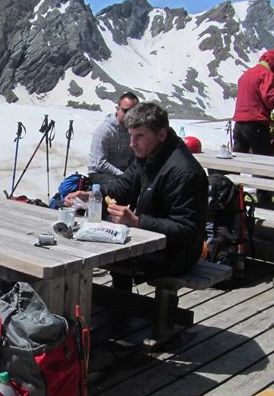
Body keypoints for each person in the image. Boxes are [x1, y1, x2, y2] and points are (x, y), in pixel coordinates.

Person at [66, 102, 208, 283]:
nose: (132, 144)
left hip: (175, 254)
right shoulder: (148, 155)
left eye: (139, 136)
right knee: (85, 241)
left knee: (96, 250)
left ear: (162, 134)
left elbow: (187, 230)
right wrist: (92, 195)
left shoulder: (184, 172)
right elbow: (122, 188)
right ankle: (117, 305)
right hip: (149, 242)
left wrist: (137, 222)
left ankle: (120, 307)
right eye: (131, 136)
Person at [232, 49, 274, 156]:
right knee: (264, 161)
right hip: (256, 127)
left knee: (238, 160)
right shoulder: (266, 74)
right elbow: (269, 98)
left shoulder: (246, 74)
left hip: (239, 125)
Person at [87, 92, 140, 187]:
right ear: (117, 109)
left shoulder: (133, 130)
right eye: (126, 111)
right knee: (118, 186)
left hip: (123, 172)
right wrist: (123, 175)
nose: (130, 115)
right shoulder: (104, 130)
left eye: (134, 111)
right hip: (99, 174)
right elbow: (100, 163)